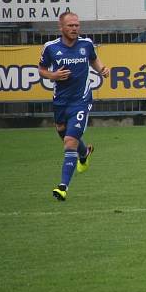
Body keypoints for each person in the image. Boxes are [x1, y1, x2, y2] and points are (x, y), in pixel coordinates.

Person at [37, 12, 109, 201]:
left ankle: (62, 187)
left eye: (77, 25)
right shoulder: (50, 48)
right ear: (61, 28)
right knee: (62, 130)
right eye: (70, 25)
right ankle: (84, 152)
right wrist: (52, 76)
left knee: (69, 141)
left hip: (81, 101)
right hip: (60, 101)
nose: (75, 28)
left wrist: (101, 69)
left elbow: (93, 58)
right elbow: (42, 69)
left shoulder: (86, 44)